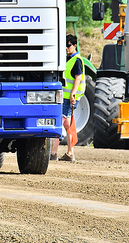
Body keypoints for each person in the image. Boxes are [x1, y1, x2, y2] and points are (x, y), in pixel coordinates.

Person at [50, 34, 85, 162]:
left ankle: (54, 153)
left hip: (69, 97)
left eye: (69, 45)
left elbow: (78, 78)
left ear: (75, 46)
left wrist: (72, 94)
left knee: (62, 122)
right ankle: (69, 153)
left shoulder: (76, 60)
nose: (66, 48)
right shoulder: (69, 59)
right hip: (66, 97)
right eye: (65, 45)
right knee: (67, 123)